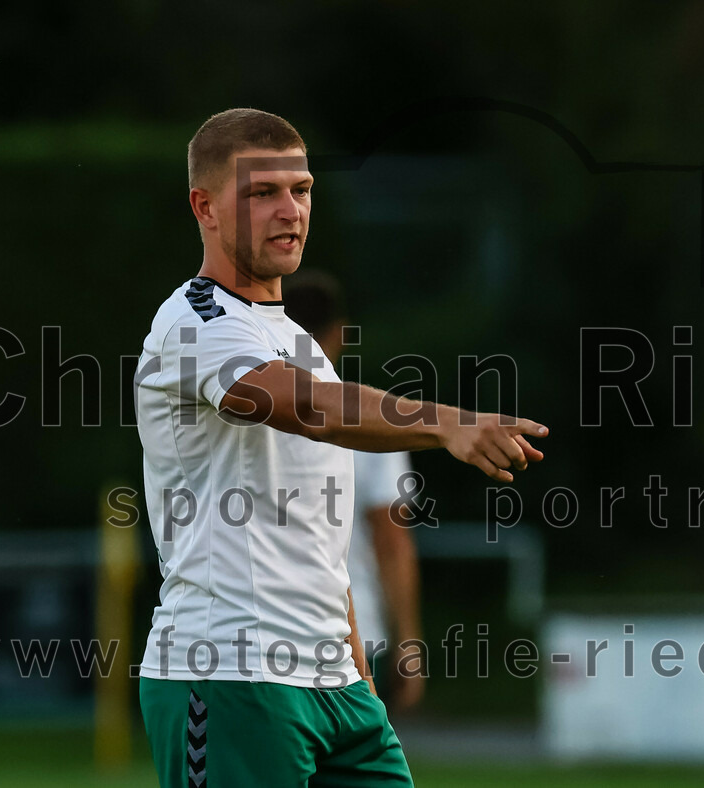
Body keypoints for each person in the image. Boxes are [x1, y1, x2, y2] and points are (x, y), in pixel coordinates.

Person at [134, 108, 547, 787]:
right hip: (230, 676)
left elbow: (319, 528)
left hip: (336, 686)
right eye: (262, 193)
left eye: (300, 189)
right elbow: (302, 409)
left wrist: (354, 664)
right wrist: (445, 421)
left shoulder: (298, 342)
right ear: (204, 207)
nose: (289, 209)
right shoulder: (195, 320)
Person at [282, 273, 425, 714]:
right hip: (353, 634)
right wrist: (410, 642)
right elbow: (391, 539)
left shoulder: (247, 411)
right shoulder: (369, 420)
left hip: (264, 633)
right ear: (340, 332)